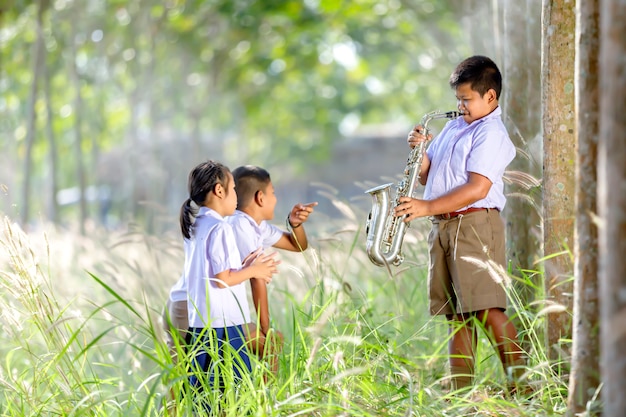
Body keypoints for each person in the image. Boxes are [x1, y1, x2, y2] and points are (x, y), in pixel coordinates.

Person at [393, 55, 525, 393]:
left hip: (475, 224)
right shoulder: (454, 127)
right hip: (445, 225)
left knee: (487, 309)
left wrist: (424, 208)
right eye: (457, 99)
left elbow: (477, 188)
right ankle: (462, 394)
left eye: (466, 99)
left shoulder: (491, 133)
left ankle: (522, 387)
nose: (459, 106)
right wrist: (420, 153)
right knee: (458, 315)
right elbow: (429, 178)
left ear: (490, 97)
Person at [177, 160, 279, 411]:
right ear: (219, 191)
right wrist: (255, 270)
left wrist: (245, 264)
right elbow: (223, 279)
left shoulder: (197, 225)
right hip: (225, 327)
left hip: (201, 324)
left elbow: (213, 271)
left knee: (206, 397)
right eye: (233, 189)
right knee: (234, 396)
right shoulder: (220, 227)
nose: (236, 196)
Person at [228, 165, 317, 377]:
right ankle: (265, 403)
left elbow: (298, 245)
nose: (275, 199)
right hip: (210, 314)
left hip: (208, 310)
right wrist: (265, 328)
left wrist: (295, 224)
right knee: (271, 343)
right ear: (260, 197)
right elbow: (257, 278)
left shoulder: (255, 226)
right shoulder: (240, 224)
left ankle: (260, 400)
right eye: (273, 193)